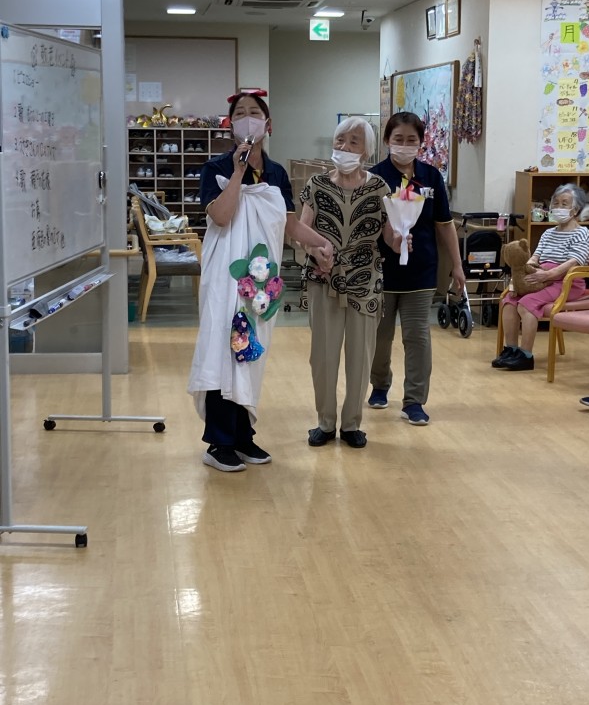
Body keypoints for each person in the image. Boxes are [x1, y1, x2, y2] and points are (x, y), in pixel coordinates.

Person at [188, 92, 333, 472]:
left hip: (261, 278)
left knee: (250, 350)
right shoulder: (215, 168)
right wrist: (237, 173)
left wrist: (320, 243)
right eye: (240, 114)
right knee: (222, 349)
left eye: (255, 113)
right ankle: (218, 442)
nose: (248, 118)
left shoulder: (276, 173)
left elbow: (289, 224)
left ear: (269, 125)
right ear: (230, 125)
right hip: (225, 277)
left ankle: (242, 435)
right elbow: (221, 216)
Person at [299, 116, 403, 449]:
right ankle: (325, 422)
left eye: (353, 141)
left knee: (361, 355)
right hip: (324, 278)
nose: (344, 147)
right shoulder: (316, 184)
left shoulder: (379, 188)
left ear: (366, 151)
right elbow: (301, 232)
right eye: (340, 140)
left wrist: (402, 241)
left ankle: (352, 424)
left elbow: (390, 236)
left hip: (366, 279)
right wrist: (315, 250)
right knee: (323, 356)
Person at [367, 111, 465, 425]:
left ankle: (414, 400)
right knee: (380, 337)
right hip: (381, 271)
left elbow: (445, 225)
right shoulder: (374, 177)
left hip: (421, 270)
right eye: (398, 139)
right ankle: (380, 384)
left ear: (421, 142)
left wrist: (457, 265)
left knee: (418, 337)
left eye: (412, 140)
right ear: (387, 140)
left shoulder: (431, 177)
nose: (405, 144)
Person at [493, 183, 589, 371]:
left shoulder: (581, 233)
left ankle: (526, 356)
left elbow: (574, 262)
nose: (559, 207)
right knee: (509, 300)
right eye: (556, 203)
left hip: (567, 281)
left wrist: (548, 275)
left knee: (527, 303)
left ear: (576, 209)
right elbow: (535, 257)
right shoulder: (548, 233)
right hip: (540, 276)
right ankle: (511, 350)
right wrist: (525, 272)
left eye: (564, 204)